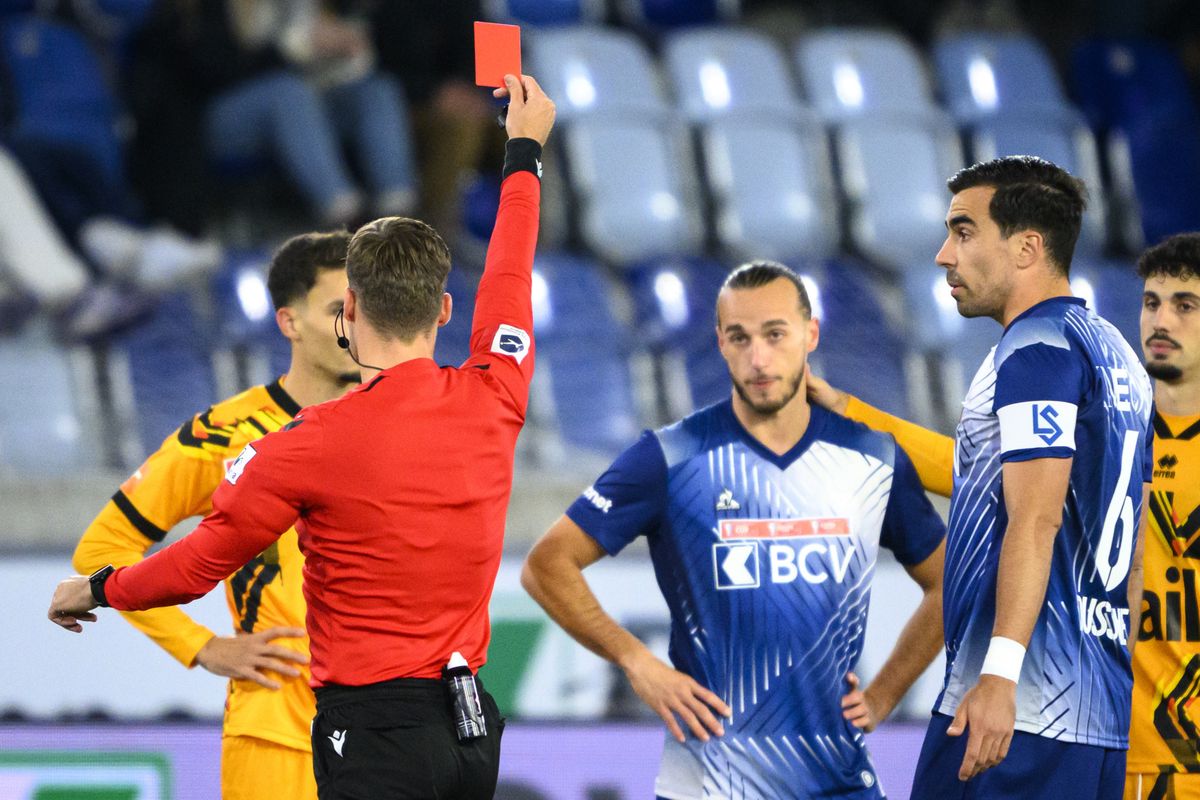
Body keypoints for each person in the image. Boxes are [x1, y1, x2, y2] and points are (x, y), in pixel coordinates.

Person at [50, 73, 555, 800]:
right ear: (445, 309)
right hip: (470, 726)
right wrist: (523, 153)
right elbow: (510, 267)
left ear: (348, 310)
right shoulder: (496, 393)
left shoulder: (304, 445)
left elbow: (193, 567)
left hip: (369, 731)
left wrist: (97, 588)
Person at [521, 260, 948, 799]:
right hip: (706, 786)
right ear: (720, 343)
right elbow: (546, 564)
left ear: (810, 335)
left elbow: (948, 581)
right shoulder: (671, 457)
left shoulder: (872, 455)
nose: (758, 358)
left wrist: (886, 693)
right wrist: (636, 660)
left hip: (839, 784)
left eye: (775, 335)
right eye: (740, 338)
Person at [811, 230, 1200, 800]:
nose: (1161, 320)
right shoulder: (1099, 426)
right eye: (1150, 302)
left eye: (1185, 306)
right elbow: (973, 471)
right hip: (1101, 740)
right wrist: (853, 414)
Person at [70, 230, 357, 800]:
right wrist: (201, 646)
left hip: (386, 735)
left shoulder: (400, 424)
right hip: (277, 734)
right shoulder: (224, 436)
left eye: (363, 308)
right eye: (337, 310)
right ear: (289, 323)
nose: (356, 325)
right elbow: (102, 551)